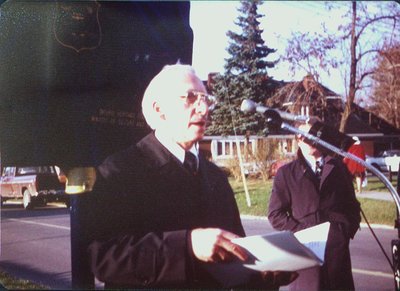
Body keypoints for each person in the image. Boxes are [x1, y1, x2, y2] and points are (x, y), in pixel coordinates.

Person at [86, 64, 297, 289]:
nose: (204, 109)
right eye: (190, 97)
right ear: (159, 110)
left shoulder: (216, 177)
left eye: (207, 100)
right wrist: (187, 245)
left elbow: (238, 257)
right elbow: (104, 258)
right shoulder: (121, 170)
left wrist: (263, 275)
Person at [268, 122, 361, 291]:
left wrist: (343, 231)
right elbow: (275, 214)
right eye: (302, 135)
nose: (307, 139)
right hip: (305, 254)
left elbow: (353, 207)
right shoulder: (286, 173)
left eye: (311, 135)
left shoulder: (338, 167)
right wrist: (300, 232)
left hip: (337, 255)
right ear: (297, 139)